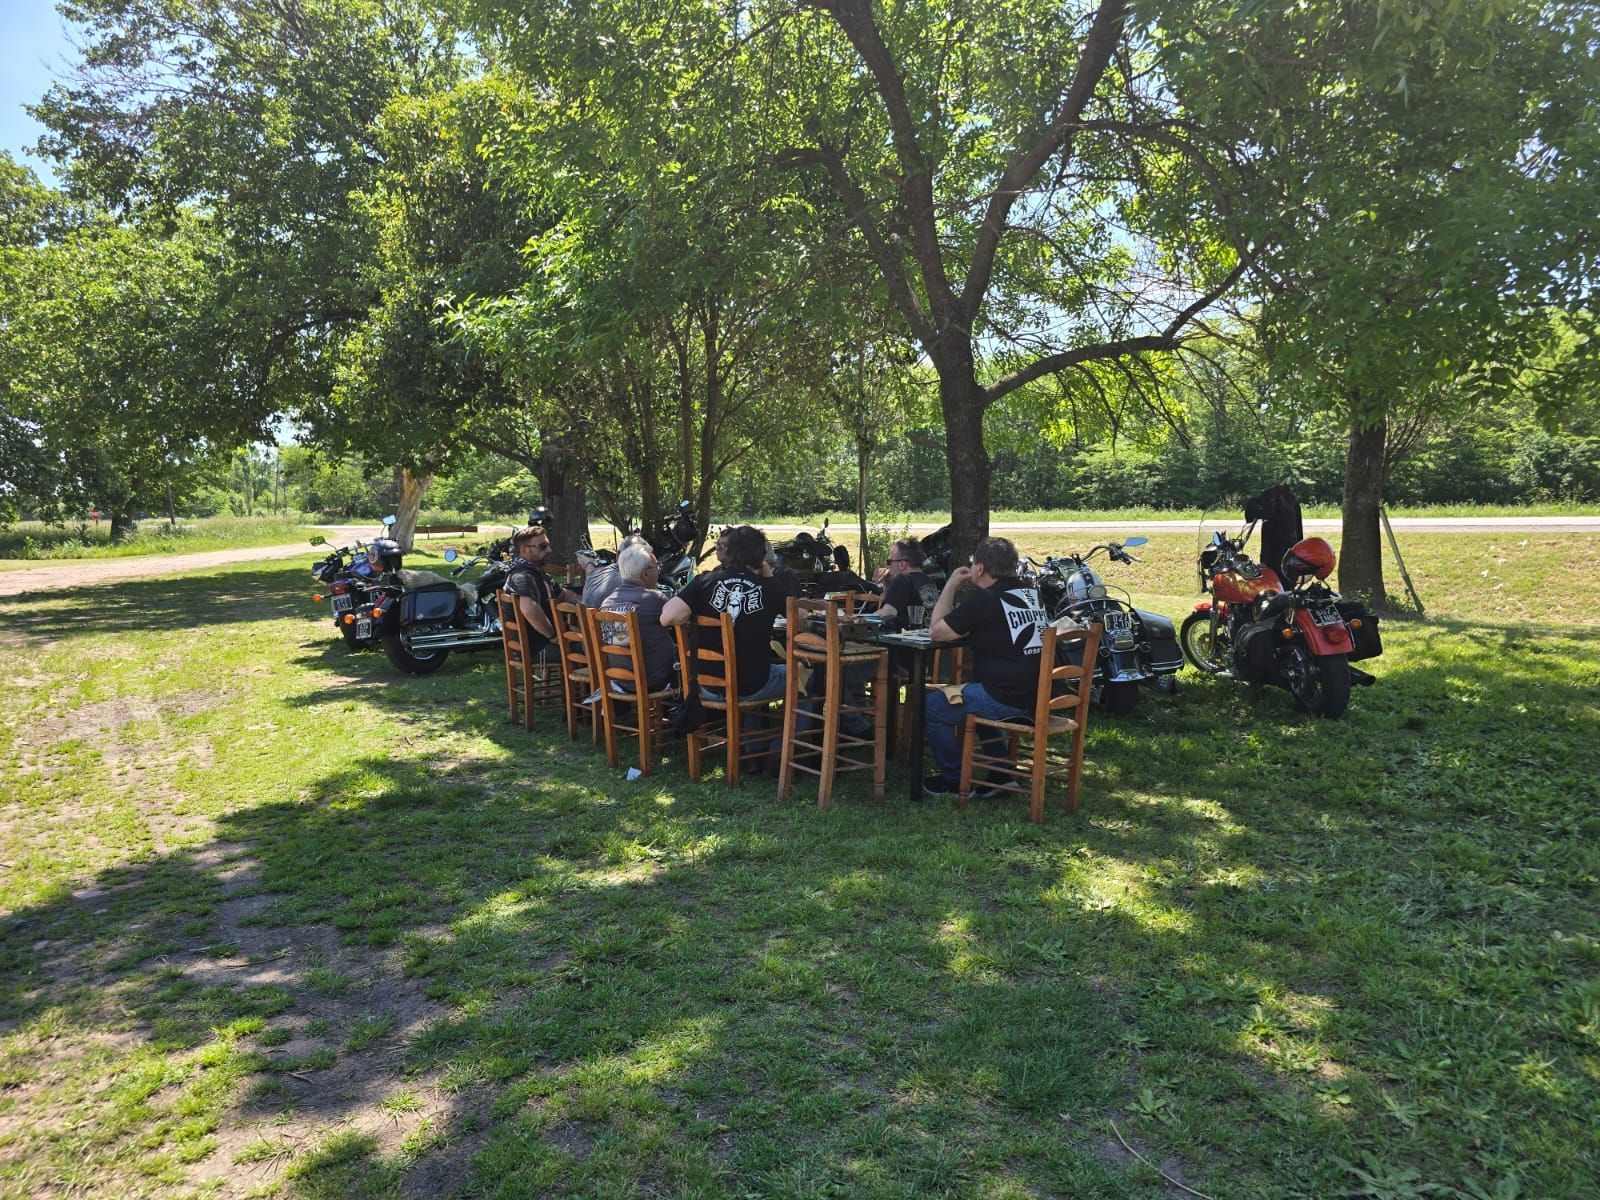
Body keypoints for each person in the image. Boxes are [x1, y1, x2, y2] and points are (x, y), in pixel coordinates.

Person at [921, 536, 1048, 797]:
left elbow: (937, 632)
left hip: (1006, 696)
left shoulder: (987, 599)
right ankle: (1001, 775)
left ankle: (955, 781)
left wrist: (951, 586)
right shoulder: (1031, 593)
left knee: (933, 706)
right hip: (1038, 694)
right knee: (974, 696)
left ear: (979, 569)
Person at [662, 524, 786, 703]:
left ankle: (745, 728)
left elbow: (667, 617)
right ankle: (792, 731)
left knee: (761, 672)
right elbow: (802, 616)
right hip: (751, 687)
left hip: (707, 685)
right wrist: (769, 576)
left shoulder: (705, 581)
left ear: (730, 552)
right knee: (805, 674)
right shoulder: (769, 587)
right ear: (761, 555)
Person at [598, 543, 677, 692]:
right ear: (645, 574)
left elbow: (619, 641)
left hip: (620, 681)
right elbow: (681, 623)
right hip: (654, 681)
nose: (658, 572)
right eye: (656, 568)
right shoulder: (656, 599)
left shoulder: (607, 602)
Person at [503, 525, 576, 656]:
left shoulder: (536, 573)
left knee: (591, 640)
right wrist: (554, 637)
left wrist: (587, 602)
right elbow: (528, 609)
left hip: (545, 642)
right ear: (524, 550)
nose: (549, 550)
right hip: (538, 647)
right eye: (542, 546)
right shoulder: (522, 576)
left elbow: (563, 595)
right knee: (597, 648)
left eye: (548, 545)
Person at [873, 538, 940, 632]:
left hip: (903, 642)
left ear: (902, 565)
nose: (888, 566)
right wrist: (887, 584)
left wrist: (861, 619)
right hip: (926, 639)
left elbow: (887, 613)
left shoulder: (902, 580)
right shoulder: (929, 580)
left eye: (889, 562)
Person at [582, 533, 650, 609]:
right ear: (618, 555)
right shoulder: (631, 580)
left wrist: (588, 563)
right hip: (610, 620)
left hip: (589, 619)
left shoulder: (594, 573)